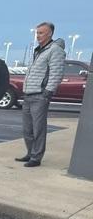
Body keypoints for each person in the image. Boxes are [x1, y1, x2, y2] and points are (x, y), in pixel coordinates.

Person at [16, 22, 66, 167]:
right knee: (27, 128)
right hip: (29, 93)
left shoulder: (55, 50)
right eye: (37, 33)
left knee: (38, 128)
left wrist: (47, 92)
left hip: (40, 95)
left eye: (41, 33)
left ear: (49, 34)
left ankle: (36, 157)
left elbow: (57, 73)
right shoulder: (38, 50)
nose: (38, 36)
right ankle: (30, 152)